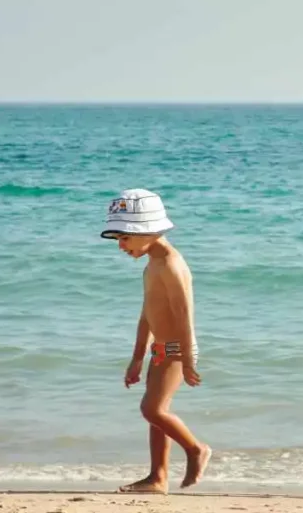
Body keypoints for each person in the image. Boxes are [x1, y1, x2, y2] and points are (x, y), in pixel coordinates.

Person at [100, 188, 211, 494]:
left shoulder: (172, 265)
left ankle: (195, 449)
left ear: (147, 231)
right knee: (156, 416)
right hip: (159, 349)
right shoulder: (152, 264)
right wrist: (137, 357)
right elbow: (147, 315)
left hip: (177, 350)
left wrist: (188, 358)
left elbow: (184, 315)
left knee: (152, 410)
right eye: (118, 239)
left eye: (124, 237)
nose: (121, 245)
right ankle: (157, 477)